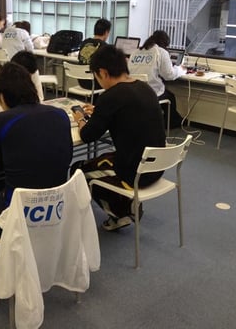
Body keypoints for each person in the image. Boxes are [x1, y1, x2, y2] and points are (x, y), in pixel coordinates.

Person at [0, 62, 73, 262]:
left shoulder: (0, 120)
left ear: (1, 96)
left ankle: (11, 262)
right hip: (56, 209)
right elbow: (67, 156)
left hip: (19, 213)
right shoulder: (60, 115)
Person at [70, 45, 166, 231]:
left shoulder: (111, 96)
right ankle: (124, 205)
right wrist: (100, 111)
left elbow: (88, 135)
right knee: (105, 159)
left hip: (135, 173)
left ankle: (120, 213)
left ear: (103, 72)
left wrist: (80, 118)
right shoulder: (144, 87)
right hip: (157, 166)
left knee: (78, 170)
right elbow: (128, 112)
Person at [127, 30, 185, 129]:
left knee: (165, 93)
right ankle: (170, 124)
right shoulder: (161, 52)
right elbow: (169, 75)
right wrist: (180, 69)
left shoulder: (136, 51)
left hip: (133, 92)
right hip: (150, 92)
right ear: (164, 43)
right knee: (170, 97)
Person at [0, 50, 44, 115]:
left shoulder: (32, 70)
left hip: (21, 113)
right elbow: (0, 110)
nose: (26, 80)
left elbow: (39, 99)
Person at [75, 18, 111, 89]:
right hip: (96, 83)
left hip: (81, 81)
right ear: (106, 32)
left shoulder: (85, 43)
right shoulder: (105, 47)